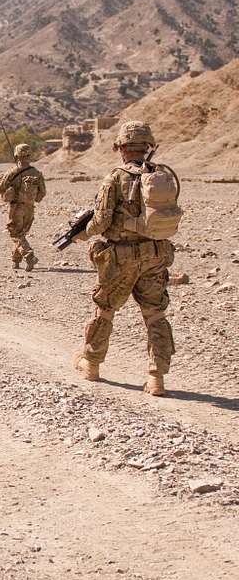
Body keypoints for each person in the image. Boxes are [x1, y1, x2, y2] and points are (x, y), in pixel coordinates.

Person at [71, 121, 183, 397]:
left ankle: (92, 364)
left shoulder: (115, 178)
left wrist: (80, 235)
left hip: (120, 257)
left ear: (121, 148)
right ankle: (156, 378)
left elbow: (100, 221)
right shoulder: (161, 176)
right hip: (156, 255)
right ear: (148, 147)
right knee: (155, 314)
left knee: (105, 309)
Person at [0, 144, 46, 271]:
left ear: (16, 156)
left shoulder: (12, 172)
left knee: (15, 234)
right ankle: (16, 260)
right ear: (29, 155)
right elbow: (42, 193)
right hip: (30, 208)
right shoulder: (36, 173)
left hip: (16, 208)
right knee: (21, 234)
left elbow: (0, 188)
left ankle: (30, 257)